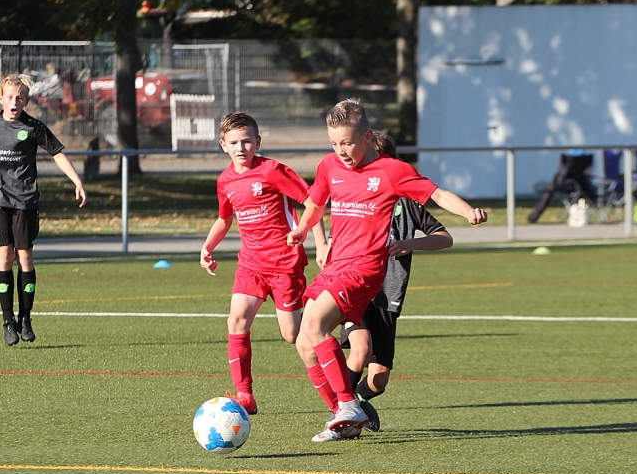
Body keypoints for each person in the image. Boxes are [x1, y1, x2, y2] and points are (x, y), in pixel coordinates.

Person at [287, 99, 487, 443]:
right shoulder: (329, 165)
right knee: (305, 343)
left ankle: (348, 406)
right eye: (334, 143)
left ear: (367, 136)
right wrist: (303, 229)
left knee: (315, 325)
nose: (341, 151)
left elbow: (437, 194)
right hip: (335, 266)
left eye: (348, 143)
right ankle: (344, 416)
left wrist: (468, 211)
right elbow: (316, 204)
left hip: (364, 269)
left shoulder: (391, 170)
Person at [199, 111, 327, 415]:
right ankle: (245, 395)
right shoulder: (225, 181)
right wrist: (207, 247)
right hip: (251, 266)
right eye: (233, 143)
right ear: (223, 145)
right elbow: (224, 218)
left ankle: (330, 333)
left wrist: (320, 243)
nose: (240, 148)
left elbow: (313, 203)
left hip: (285, 264)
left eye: (246, 141)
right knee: (236, 321)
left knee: (293, 335)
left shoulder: (273, 171)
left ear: (257, 141)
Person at [340, 132, 453, 432]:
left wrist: (410, 244)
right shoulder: (356, 197)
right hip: (356, 288)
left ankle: (357, 402)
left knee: (378, 381)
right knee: (360, 350)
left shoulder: (407, 203)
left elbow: (445, 237)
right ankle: (342, 408)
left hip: (388, 297)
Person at [0, 75, 87, 346]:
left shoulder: (33, 127)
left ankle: (25, 318)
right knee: (4, 257)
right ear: (1, 99)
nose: (14, 102)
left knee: (24, 257)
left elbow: (57, 153)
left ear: (26, 101)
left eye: (20, 97)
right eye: (10, 97)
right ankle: (8, 321)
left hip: (25, 201)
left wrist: (77, 181)